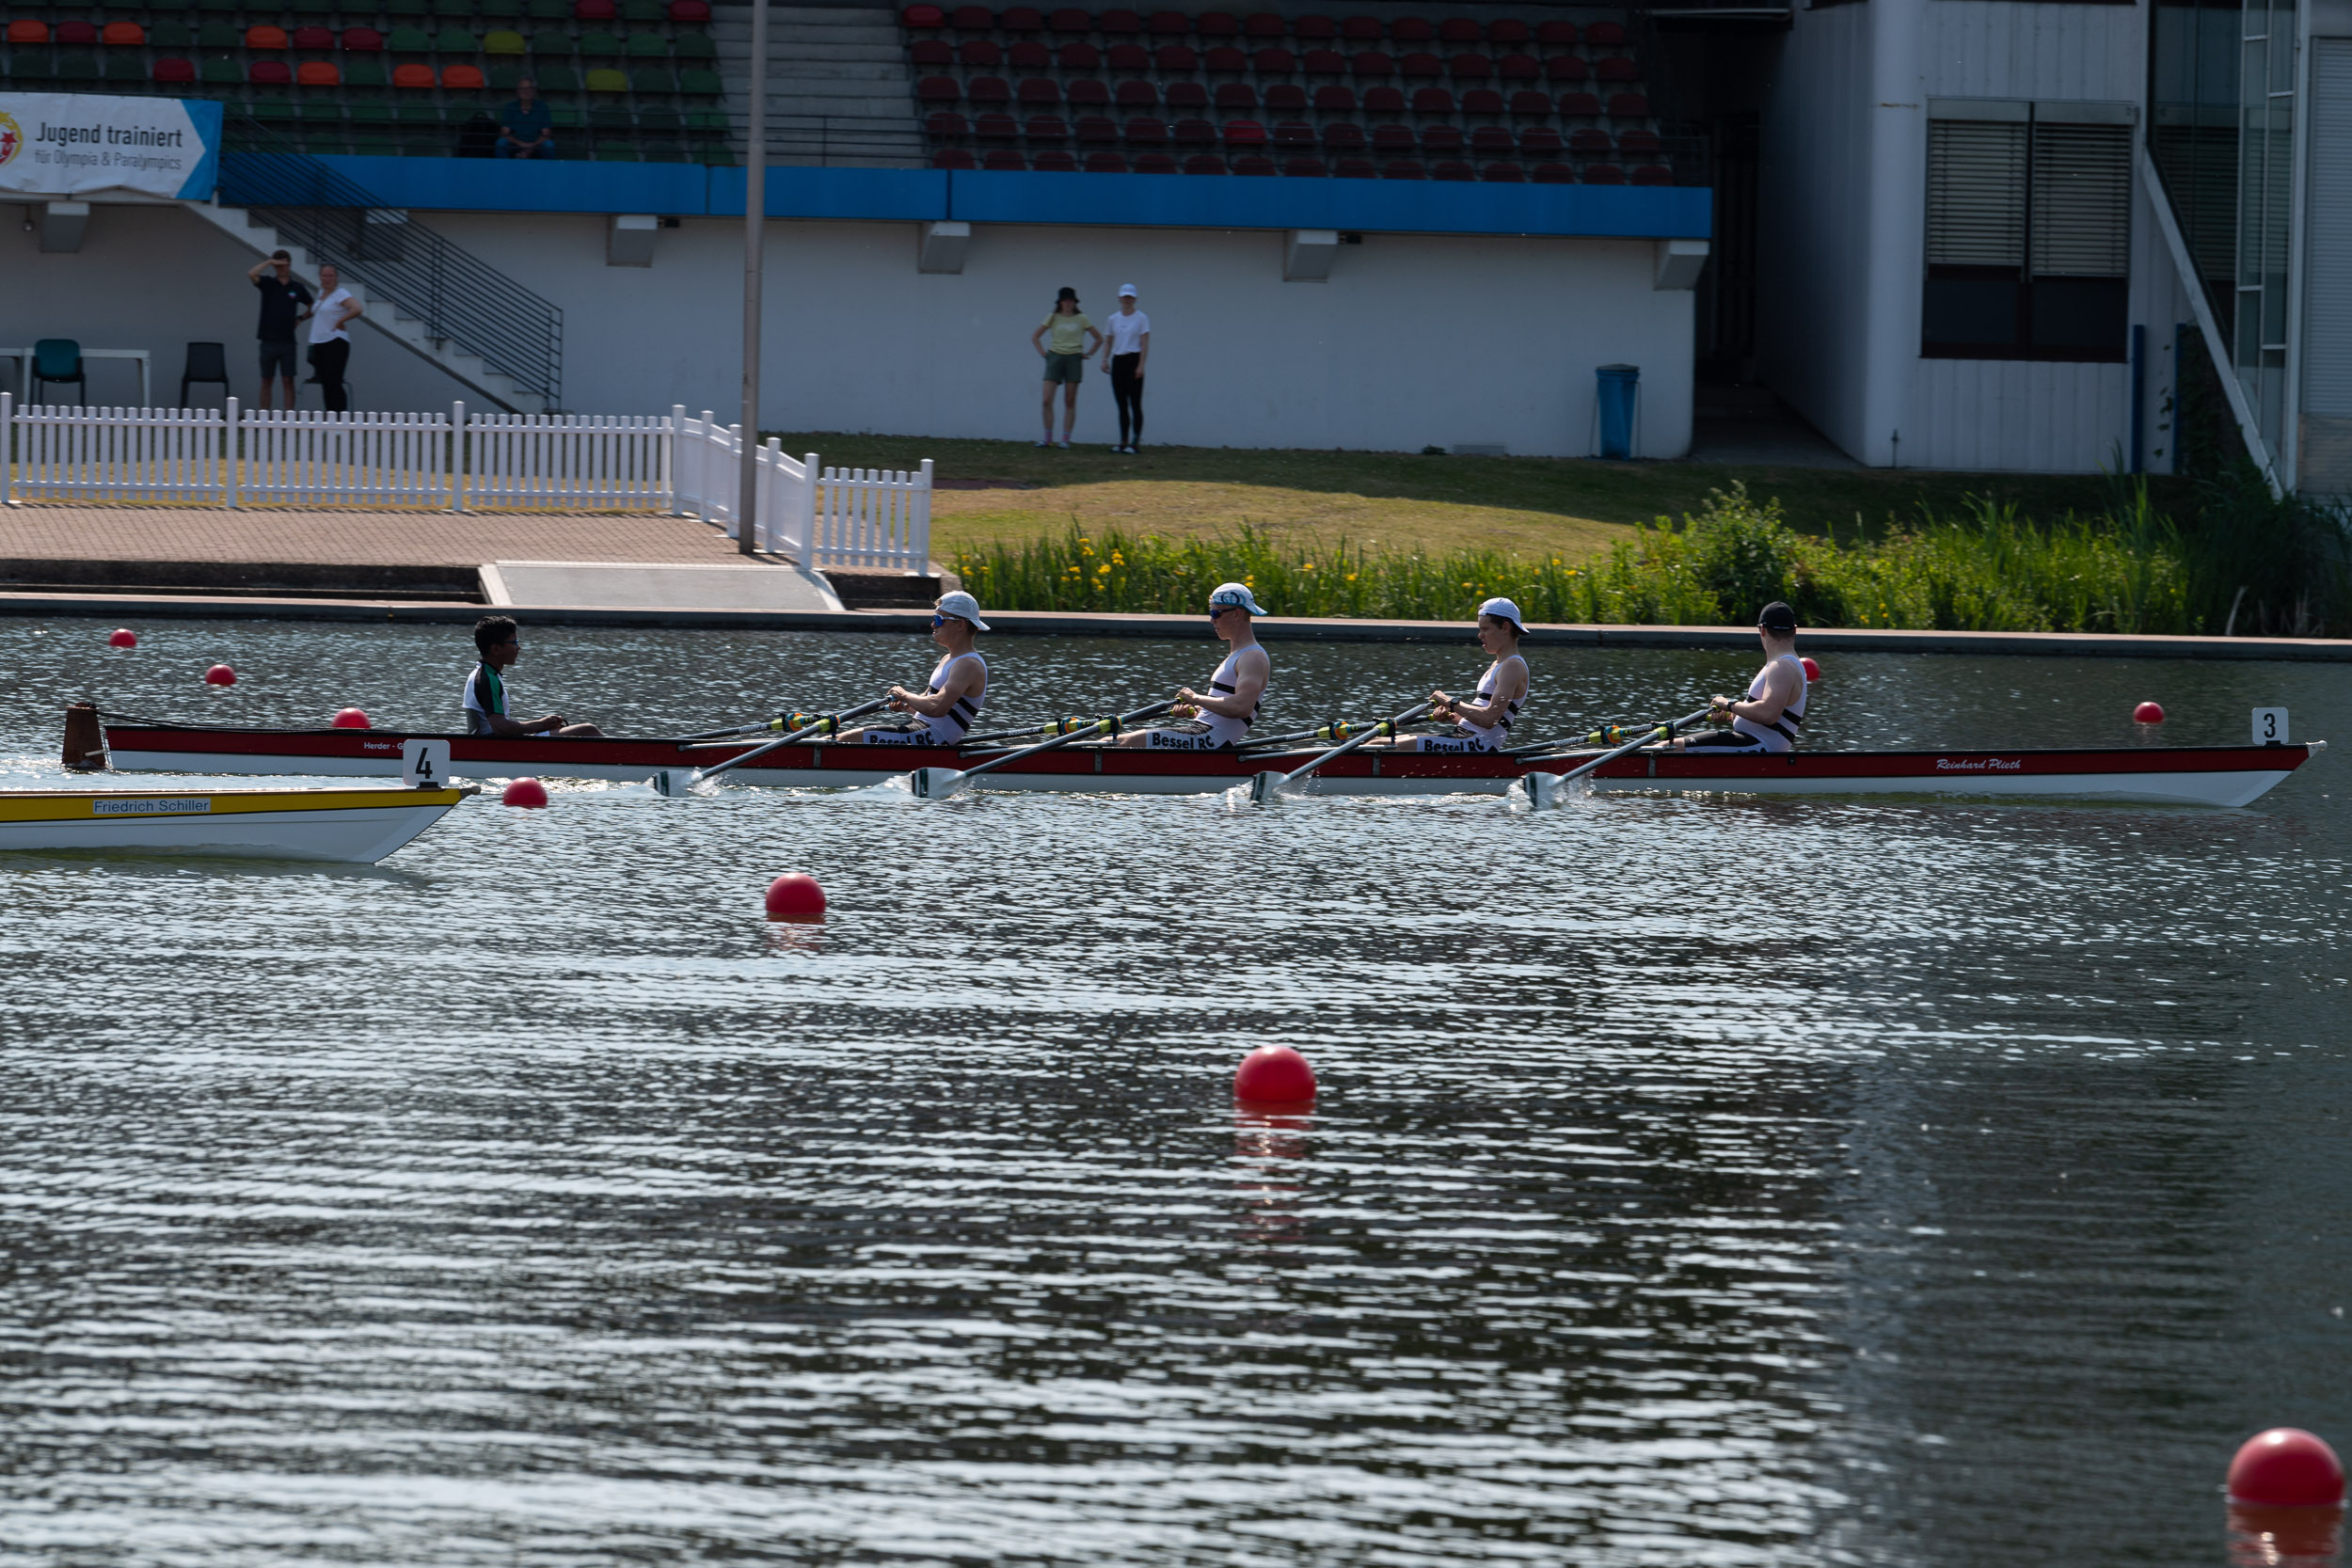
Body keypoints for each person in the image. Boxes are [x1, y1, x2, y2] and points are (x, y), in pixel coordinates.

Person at [1118, 581, 1272, 750]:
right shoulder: (1239, 655)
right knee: (1111, 742)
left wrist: (1195, 697)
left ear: (1236, 614)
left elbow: (1242, 707)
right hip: (1204, 735)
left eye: (1216, 613)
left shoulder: (1252, 657)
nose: (1211, 620)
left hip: (1209, 740)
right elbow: (1224, 710)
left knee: (1118, 743)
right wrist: (1198, 709)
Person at [1378, 597, 1531, 753]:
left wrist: (1449, 701)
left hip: (1479, 745)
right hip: (1468, 739)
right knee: (1377, 741)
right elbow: (1481, 720)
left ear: (1505, 627)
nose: (1480, 635)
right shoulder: (1498, 665)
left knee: (1388, 746)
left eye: (1485, 629)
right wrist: (1451, 715)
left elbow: (1489, 719)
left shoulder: (1513, 666)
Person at [838, 591, 991, 746]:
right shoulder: (948, 659)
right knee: (835, 739)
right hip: (922, 731)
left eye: (938, 620)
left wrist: (904, 694)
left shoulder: (968, 665)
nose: (932, 624)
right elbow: (927, 702)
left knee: (841, 740)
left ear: (960, 624)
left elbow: (937, 708)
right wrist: (906, 706)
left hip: (932, 736)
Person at [1677, 600, 1807, 753]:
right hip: (1753, 744)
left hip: (1758, 747)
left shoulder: (1782, 666)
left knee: (1665, 748)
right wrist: (1733, 713)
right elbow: (1772, 716)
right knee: (1669, 745)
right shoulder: (1788, 664)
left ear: (1763, 630)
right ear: (1795, 631)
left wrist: (1728, 704)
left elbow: (1768, 714)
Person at [463, 615, 604, 737]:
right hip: (498, 747)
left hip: (499, 743)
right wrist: (541, 724)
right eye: (514, 643)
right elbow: (501, 727)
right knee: (588, 731)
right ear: (495, 649)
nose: (518, 648)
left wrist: (542, 725)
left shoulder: (483, 674)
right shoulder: (488, 679)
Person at [1029, 286, 1102, 449]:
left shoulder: (1082, 318)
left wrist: (1088, 354)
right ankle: (1047, 438)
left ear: (1074, 302)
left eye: (1071, 301)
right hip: (1055, 356)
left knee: (1069, 400)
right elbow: (1035, 336)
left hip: (1074, 358)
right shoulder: (1053, 317)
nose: (1068, 304)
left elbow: (1098, 339)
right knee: (1046, 399)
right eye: (1065, 301)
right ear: (1060, 302)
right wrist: (1044, 354)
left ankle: (1065, 439)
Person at [246, 249, 312, 411]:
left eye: (285, 264)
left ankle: (287, 421)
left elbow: (312, 306)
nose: (282, 268)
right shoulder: (268, 283)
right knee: (266, 380)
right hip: (268, 340)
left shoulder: (297, 287)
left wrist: (300, 319)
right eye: (279, 265)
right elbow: (251, 274)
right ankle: (264, 419)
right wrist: (269, 262)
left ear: (289, 264)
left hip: (288, 342)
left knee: (288, 381)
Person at [1099, 283, 1150, 454]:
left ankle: (1135, 442)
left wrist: (1141, 365)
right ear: (1119, 298)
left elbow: (1144, 342)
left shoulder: (1141, 318)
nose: (1127, 300)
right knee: (1121, 404)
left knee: (1134, 402)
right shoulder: (1113, 319)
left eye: (1130, 297)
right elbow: (1108, 341)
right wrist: (1104, 360)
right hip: (1118, 360)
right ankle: (1123, 440)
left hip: (1133, 359)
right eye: (1124, 297)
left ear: (1134, 299)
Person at [304, 263, 362, 413]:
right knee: (325, 383)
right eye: (324, 275)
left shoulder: (340, 293)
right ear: (320, 277)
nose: (327, 278)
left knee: (334, 382)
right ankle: (330, 419)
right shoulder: (321, 293)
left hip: (335, 342)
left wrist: (341, 321)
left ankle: (340, 420)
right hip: (319, 343)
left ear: (336, 277)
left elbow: (357, 308)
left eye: (330, 275)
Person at [496, 76, 555, 160]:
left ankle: (549, 171)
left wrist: (531, 147)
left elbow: (546, 134)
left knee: (549, 145)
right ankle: (502, 170)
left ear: (534, 91)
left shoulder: (542, 107)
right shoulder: (510, 107)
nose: (526, 91)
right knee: (501, 143)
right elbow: (504, 133)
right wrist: (521, 144)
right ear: (517, 91)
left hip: (536, 146)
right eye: (522, 88)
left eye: (529, 88)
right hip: (515, 145)